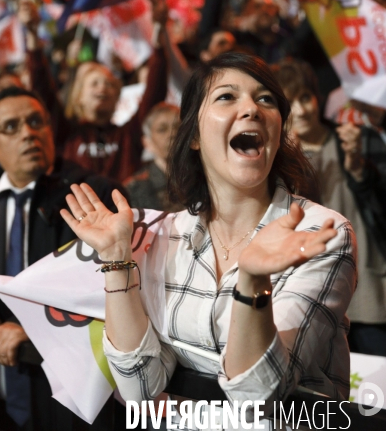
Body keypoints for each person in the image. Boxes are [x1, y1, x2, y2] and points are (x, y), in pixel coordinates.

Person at [61, 53, 357, 428]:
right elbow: (139, 390)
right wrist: (117, 259)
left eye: (265, 99)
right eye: (227, 97)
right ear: (196, 137)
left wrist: (251, 282)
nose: (251, 108)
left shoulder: (320, 233)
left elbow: (260, 398)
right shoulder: (165, 235)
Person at [0, 86, 126, 431]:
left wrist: (35, 330)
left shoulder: (94, 197)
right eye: (12, 127)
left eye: (36, 122)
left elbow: (110, 300)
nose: (28, 133)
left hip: (67, 404)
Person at [274, 58, 386, 357]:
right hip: (308, 285)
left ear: (317, 96)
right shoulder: (276, 161)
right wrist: (289, 162)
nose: (302, 110)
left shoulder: (354, 139)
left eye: (305, 98)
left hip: (367, 285)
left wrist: (359, 169)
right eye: (291, 102)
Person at [18, 0, 168, 183]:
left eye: (110, 84)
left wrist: (158, 32)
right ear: (78, 96)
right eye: (94, 83)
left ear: (117, 99)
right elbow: (42, 89)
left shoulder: (129, 135)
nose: (103, 88)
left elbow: (154, 93)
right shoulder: (64, 134)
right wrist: (32, 33)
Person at [124, 102, 181, 211]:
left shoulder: (207, 176)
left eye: (178, 126)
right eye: (162, 129)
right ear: (147, 142)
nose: (172, 134)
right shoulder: (134, 188)